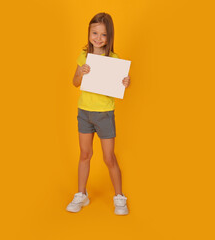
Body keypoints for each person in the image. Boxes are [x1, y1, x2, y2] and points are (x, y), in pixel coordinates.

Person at [66, 12, 130, 215]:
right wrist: (80, 72)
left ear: (109, 37)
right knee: (85, 154)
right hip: (85, 112)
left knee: (109, 157)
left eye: (103, 35)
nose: (98, 38)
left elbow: (120, 84)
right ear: (89, 33)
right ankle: (81, 194)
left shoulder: (114, 59)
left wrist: (126, 83)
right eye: (95, 33)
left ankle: (119, 197)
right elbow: (75, 83)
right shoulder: (83, 56)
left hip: (104, 114)